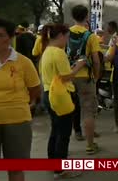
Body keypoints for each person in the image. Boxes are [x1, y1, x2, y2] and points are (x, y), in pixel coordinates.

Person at [0, 17, 41, 181]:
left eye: (0, 35)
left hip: (18, 120)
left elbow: (34, 88)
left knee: (16, 168)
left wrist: (26, 103)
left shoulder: (23, 62)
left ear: (10, 37)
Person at [39, 24, 86, 179]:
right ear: (60, 36)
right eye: (67, 37)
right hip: (61, 95)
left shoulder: (46, 51)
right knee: (63, 133)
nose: (67, 41)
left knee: (55, 130)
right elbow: (66, 76)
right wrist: (78, 66)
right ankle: (61, 169)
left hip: (48, 93)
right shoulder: (58, 53)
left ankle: (53, 163)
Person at [68, 5, 101, 155]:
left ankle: (63, 146)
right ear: (87, 16)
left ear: (73, 16)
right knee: (88, 111)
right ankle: (89, 145)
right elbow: (96, 60)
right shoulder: (91, 36)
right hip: (85, 78)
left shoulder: (65, 34)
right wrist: (96, 75)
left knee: (66, 112)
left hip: (68, 76)